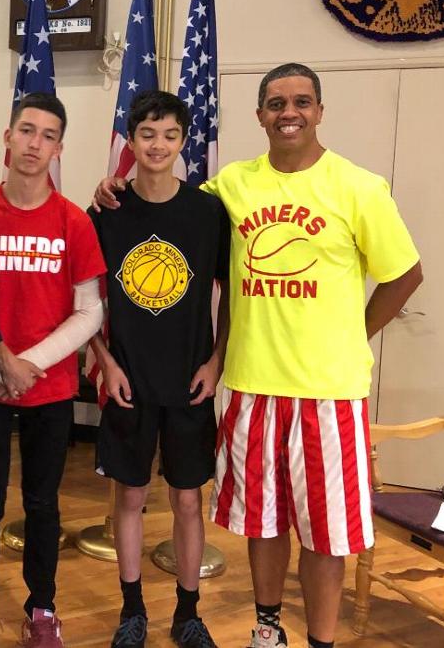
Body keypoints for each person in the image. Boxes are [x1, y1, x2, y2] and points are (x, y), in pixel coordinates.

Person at [93, 63, 423, 648]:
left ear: (320, 110)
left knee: (324, 535)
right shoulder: (230, 189)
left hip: (327, 391)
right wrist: (108, 187)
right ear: (259, 116)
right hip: (249, 385)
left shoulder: (358, 186)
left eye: (300, 101)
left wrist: (355, 333)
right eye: (275, 103)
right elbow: (160, 207)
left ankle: (319, 640)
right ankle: (267, 630)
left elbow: (405, 275)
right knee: (264, 523)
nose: (287, 112)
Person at [0, 93, 107, 647]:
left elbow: (89, 311)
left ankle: (42, 608)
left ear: (59, 148)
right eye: (26, 130)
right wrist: (1, 361)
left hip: (48, 388)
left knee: (43, 503)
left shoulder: (73, 221)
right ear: (7, 136)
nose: (34, 144)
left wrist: (29, 365)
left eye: (47, 135)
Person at [87, 91, 229, 648]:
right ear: (131, 139)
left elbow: (232, 293)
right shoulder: (107, 211)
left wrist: (218, 359)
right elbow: (87, 296)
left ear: (183, 141)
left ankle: (188, 613)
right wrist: (104, 361)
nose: (158, 144)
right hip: (128, 378)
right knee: (128, 497)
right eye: (148, 134)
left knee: (189, 499)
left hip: (190, 379)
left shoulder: (207, 211)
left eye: (170, 135)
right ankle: (132, 610)